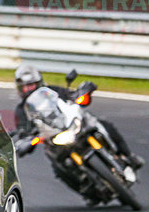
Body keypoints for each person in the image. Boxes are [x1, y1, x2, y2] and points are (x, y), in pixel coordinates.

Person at [13, 64, 143, 169]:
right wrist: (28, 141)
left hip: (71, 123)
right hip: (53, 138)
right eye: (24, 87)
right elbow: (23, 132)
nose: (28, 90)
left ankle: (129, 156)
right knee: (56, 163)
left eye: (31, 85)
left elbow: (72, 95)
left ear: (39, 82)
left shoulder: (52, 91)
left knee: (103, 125)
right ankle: (83, 186)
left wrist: (83, 92)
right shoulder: (21, 111)